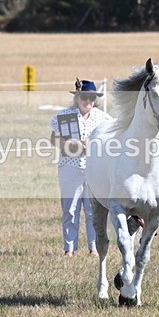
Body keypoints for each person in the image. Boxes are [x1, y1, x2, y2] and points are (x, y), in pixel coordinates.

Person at [51, 79, 112, 257]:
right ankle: (69, 248)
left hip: (94, 169)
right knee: (70, 209)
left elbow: (110, 141)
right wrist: (72, 144)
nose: (88, 101)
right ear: (78, 97)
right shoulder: (65, 116)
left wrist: (92, 145)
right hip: (70, 167)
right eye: (85, 97)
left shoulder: (103, 118)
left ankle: (94, 247)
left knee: (93, 209)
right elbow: (53, 139)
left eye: (92, 98)